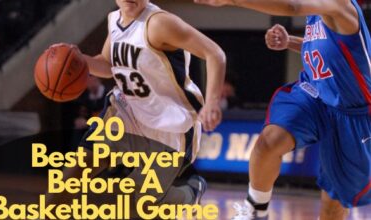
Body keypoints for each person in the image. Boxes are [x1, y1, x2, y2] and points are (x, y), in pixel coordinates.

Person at [47, 0, 226, 216]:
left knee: (144, 204)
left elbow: (215, 54)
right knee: (71, 176)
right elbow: (107, 63)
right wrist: (78, 60)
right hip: (127, 112)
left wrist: (212, 102)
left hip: (169, 125)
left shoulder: (159, 23)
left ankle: (189, 192)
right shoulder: (114, 19)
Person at [195, 0, 371, 219]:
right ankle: (256, 210)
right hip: (314, 93)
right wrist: (290, 41)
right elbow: (323, 44)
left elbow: (292, 8)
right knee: (269, 141)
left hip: (351, 114)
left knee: (333, 204)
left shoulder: (339, 3)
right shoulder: (318, 12)